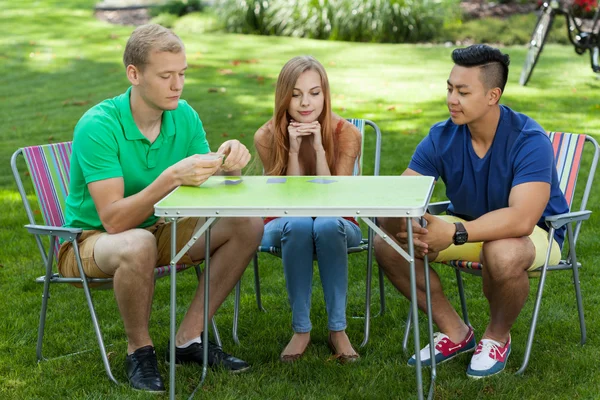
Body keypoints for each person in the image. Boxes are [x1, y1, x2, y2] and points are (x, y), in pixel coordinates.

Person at [57, 24, 264, 392]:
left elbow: (210, 192)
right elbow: (114, 220)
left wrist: (229, 166)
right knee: (137, 242)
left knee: (247, 223)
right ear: (134, 74)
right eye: (166, 75)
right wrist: (170, 178)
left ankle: (188, 340)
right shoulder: (99, 125)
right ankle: (140, 350)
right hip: (90, 241)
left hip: (161, 228)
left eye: (182, 74)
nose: (178, 85)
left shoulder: (184, 116)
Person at [374, 44, 568, 379]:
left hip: (534, 234)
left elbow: (522, 218)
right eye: (450, 88)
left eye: (463, 92)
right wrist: (403, 222)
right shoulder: (441, 136)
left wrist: (452, 233)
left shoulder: (529, 139)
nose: (451, 99)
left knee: (502, 252)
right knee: (387, 243)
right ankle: (455, 333)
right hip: (466, 225)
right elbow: (400, 195)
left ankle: (496, 337)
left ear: (493, 95)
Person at [254, 56, 363, 363]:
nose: (305, 103)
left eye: (314, 93)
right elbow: (287, 203)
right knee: (300, 224)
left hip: (340, 223)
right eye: (296, 94)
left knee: (327, 224)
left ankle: (337, 329)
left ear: (325, 95)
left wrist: (317, 147)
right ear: (283, 96)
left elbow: (336, 202)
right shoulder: (267, 136)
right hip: (283, 222)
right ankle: (301, 329)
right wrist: (290, 149)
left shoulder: (346, 134)